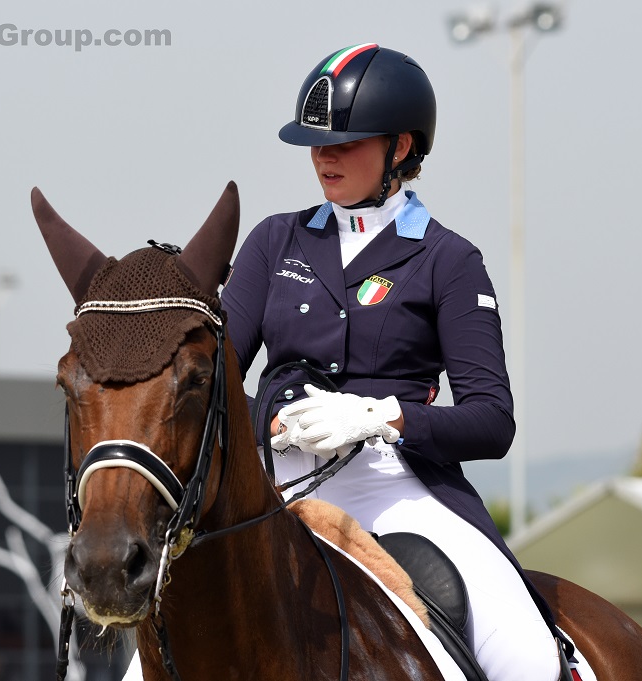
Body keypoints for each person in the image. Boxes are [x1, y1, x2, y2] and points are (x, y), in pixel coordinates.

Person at [220, 43, 562, 681]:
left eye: (345, 143)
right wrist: (269, 418)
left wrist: (385, 417)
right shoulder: (274, 240)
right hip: (273, 483)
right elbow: (214, 386)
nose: (324, 156)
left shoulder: (449, 261)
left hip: (391, 483)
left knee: (529, 657)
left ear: (400, 148)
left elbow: (492, 421)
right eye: (316, 143)